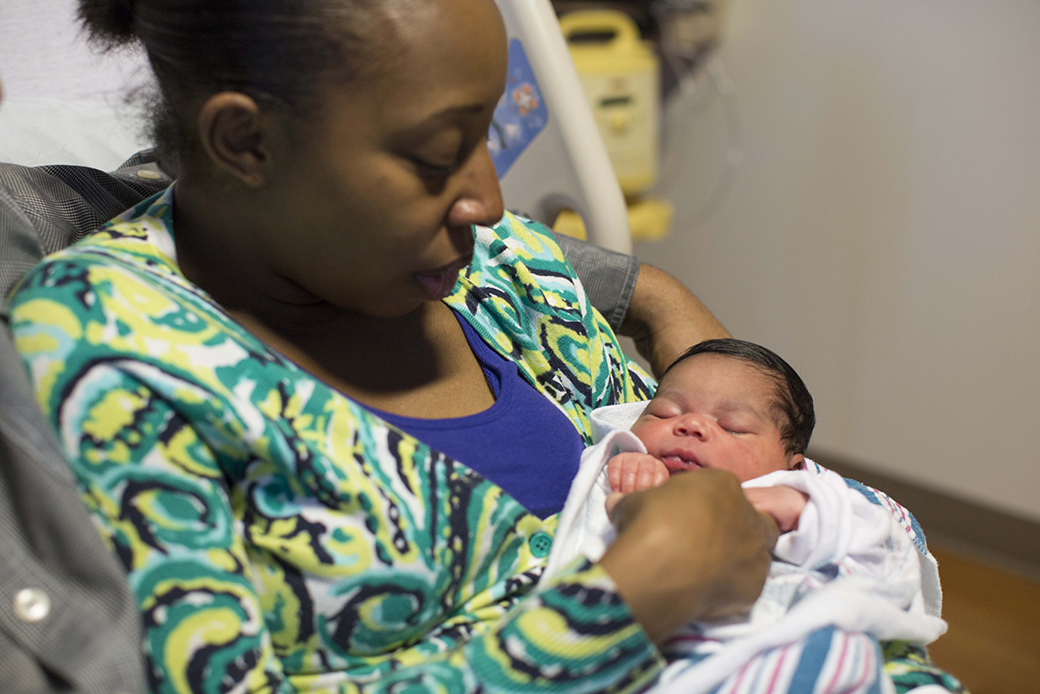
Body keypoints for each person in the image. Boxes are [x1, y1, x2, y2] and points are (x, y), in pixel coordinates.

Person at [2, 1, 783, 691]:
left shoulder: (504, 268)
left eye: (487, 135)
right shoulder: (113, 343)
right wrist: (634, 597)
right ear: (245, 141)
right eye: (437, 156)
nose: (489, 200)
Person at [546, 339, 959, 694]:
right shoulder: (621, 470)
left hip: (797, 644)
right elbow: (600, 540)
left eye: (733, 426)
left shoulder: (800, 495)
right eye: (665, 413)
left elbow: (871, 542)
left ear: (791, 466)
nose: (690, 425)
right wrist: (631, 488)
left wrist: (800, 507)